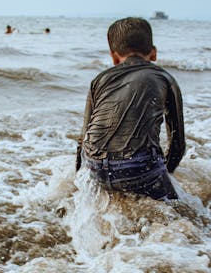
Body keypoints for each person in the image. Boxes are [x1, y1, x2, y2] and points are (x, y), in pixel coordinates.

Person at [77, 17, 185, 201]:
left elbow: (83, 138)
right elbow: (177, 144)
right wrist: (165, 176)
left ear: (114, 56)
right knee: (179, 214)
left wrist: (79, 182)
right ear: (154, 53)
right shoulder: (165, 78)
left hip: (95, 166)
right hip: (139, 167)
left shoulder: (100, 80)